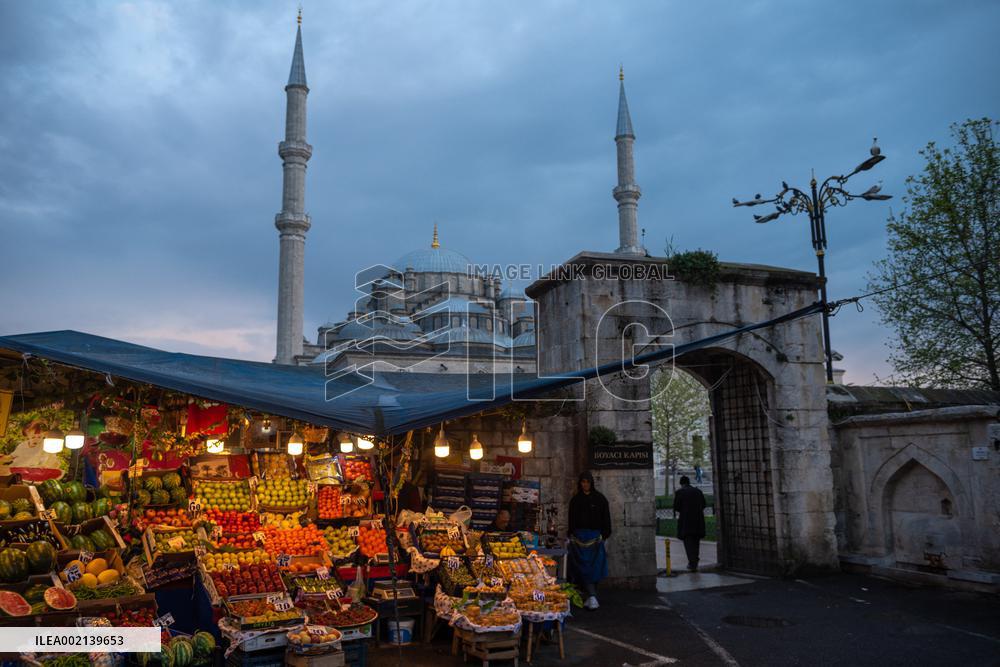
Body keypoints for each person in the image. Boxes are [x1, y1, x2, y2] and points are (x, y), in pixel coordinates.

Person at [567, 471, 611, 610]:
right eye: (583, 482)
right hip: (579, 539)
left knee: (594, 568)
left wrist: (604, 535)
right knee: (582, 568)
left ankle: (591, 596)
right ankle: (591, 596)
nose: (585, 484)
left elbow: (606, 518)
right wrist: (571, 535)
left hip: (595, 539)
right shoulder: (575, 500)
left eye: (587, 482)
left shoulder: (600, 499)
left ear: (591, 483)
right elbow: (571, 519)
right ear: (580, 483)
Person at [673, 475, 706, 572]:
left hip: (686, 521)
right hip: (698, 520)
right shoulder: (698, 491)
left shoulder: (680, 492)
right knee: (696, 541)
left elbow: (676, 507)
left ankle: (692, 563)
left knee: (688, 542)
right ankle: (695, 560)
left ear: (681, 483)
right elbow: (704, 504)